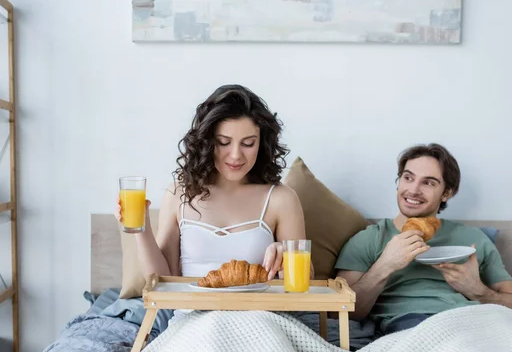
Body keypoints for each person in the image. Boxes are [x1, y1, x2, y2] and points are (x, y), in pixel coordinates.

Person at [115, 84, 308, 288]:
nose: (235, 155)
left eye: (248, 143)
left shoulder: (281, 198)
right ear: (206, 142)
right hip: (194, 315)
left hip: (259, 315)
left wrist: (286, 255)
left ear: (261, 144)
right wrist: (140, 229)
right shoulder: (178, 195)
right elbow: (163, 282)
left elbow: (307, 281)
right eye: (224, 142)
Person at [334, 143, 512, 335]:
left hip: (468, 324)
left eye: (428, 182)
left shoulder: (473, 239)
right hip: (407, 327)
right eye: (408, 178)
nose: (413, 190)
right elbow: (340, 313)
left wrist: (477, 291)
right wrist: (385, 265)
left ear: (447, 193)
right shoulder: (369, 239)